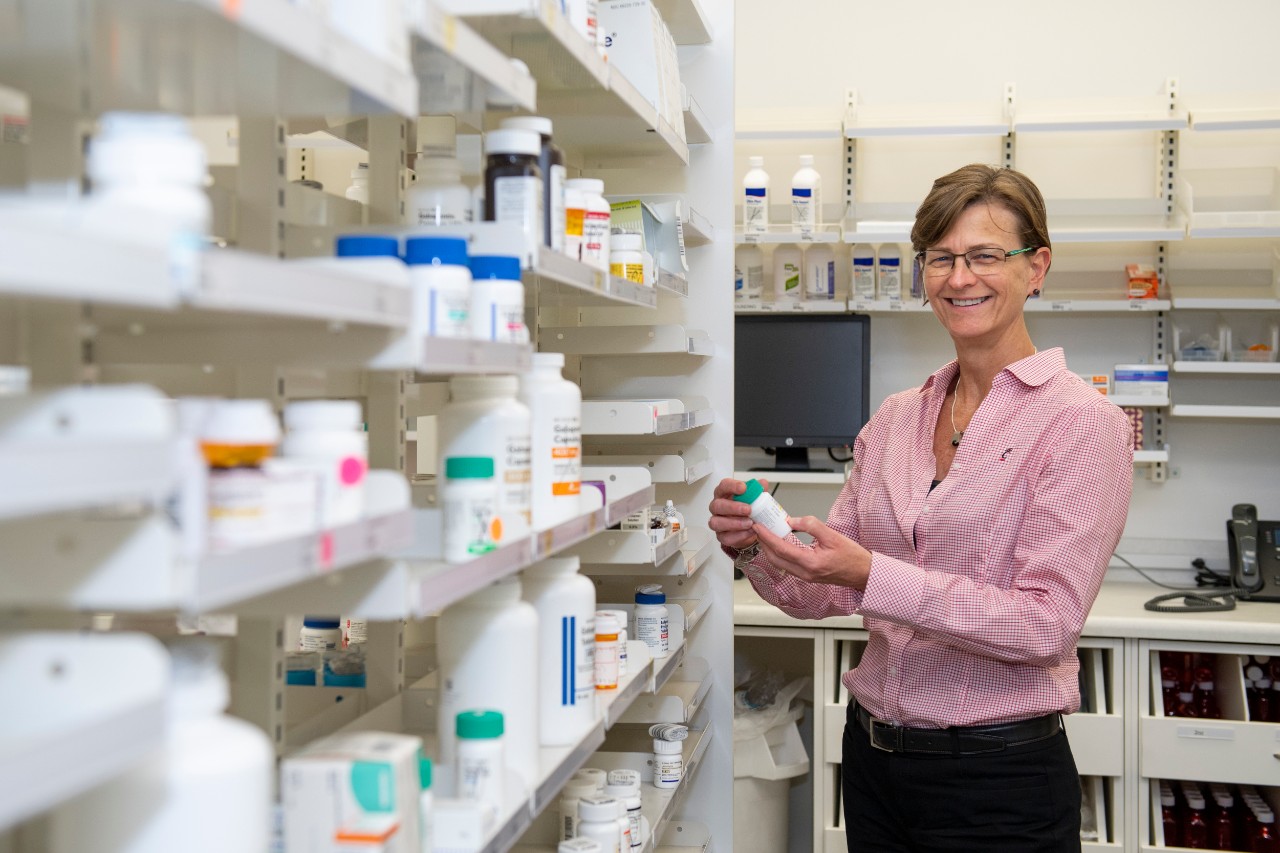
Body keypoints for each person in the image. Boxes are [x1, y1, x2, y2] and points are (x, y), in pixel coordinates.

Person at [711, 164, 1133, 852]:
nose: (959, 277)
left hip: (997, 782)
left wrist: (870, 572)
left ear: (1038, 267)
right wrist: (756, 545)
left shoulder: (1083, 424)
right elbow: (824, 589)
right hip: (875, 762)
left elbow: (1045, 624)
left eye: (986, 255)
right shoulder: (897, 418)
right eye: (941, 257)